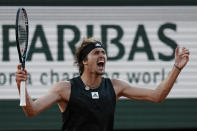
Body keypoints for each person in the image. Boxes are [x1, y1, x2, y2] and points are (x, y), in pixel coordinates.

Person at [15, 37, 190, 131]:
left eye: (104, 53)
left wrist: (176, 68)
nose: (102, 56)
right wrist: (20, 85)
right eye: (96, 52)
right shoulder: (65, 88)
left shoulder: (115, 86)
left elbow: (157, 96)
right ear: (84, 60)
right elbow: (32, 110)